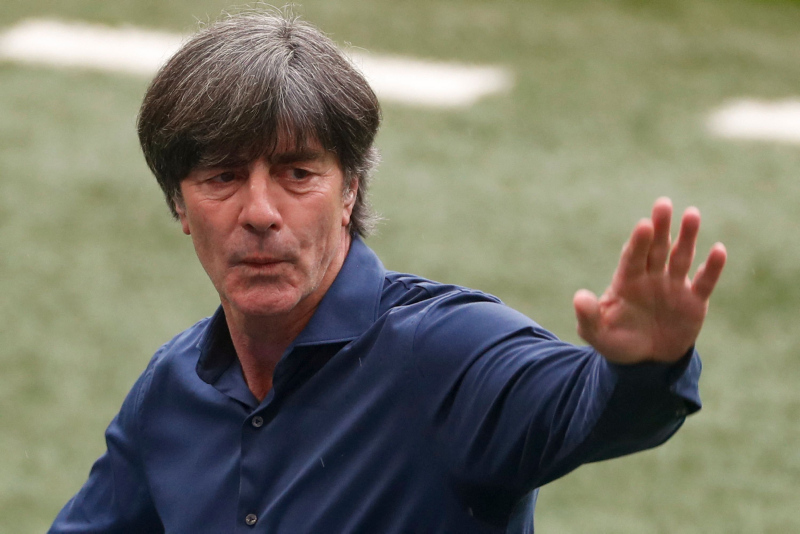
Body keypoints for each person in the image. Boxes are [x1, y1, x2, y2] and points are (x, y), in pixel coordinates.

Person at [48, 11, 727, 534]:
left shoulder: (447, 353)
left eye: (297, 174)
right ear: (179, 205)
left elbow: (588, 411)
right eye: (222, 177)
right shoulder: (171, 392)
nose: (260, 212)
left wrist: (644, 367)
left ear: (349, 191)